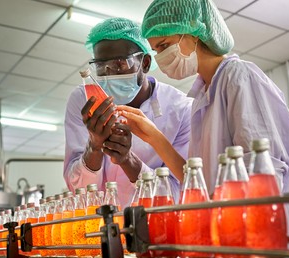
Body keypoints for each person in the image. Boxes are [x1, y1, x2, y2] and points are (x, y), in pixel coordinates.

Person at [117, 0, 289, 249]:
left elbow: (263, 170)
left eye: (164, 46)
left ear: (194, 31)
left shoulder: (240, 77)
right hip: (227, 240)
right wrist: (155, 138)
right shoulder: (202, 96)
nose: (161, 58)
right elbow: (198, 180)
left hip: (261, 240)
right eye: (156, 50)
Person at [63, 17, 193, 207]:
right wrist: (94, 146)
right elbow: (78, 190)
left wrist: (128, 161)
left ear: (145, 63)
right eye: (101, 66)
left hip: (153, 225)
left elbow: (181, 193)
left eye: (119, 64)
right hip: (100, 226)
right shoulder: (83, 100)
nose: (109, 74)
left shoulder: (180, 109)